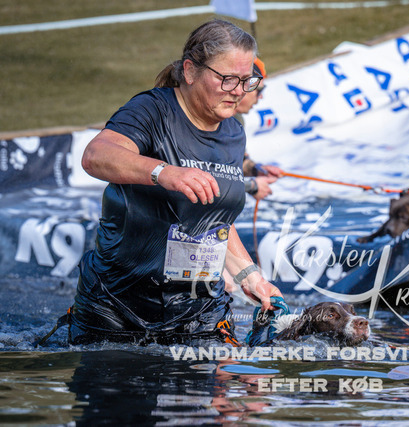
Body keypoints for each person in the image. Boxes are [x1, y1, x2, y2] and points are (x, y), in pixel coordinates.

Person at [69, 19, 282, 345]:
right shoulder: (153, 109)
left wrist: (249, 276)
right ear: (191, 71)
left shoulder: (233, 132)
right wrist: (164, 172)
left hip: (200, 309)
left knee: (230, 374)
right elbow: (96, 155)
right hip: (117, 307)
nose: (238, 91)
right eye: (227, 79)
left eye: (246, 81)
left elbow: (214, 220)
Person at [235, 58, 283, 201]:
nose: (261, 96)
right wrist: (252, 186)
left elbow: (237, 163)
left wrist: (257, 170)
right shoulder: (208, 119)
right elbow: (207, 177)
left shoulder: (236, 120)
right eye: (259, 89)